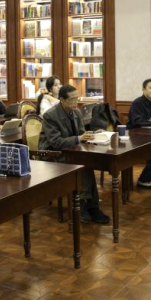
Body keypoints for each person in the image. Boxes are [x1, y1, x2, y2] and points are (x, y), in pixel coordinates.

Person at [39, 85, 110, 224]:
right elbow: (56, 142)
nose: (76, 102)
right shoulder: (50, 115)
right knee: (82, 166)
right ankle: (83, 206)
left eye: (77, 98)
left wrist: (93, 134)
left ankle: (91, 207)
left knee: (88, 164)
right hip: (53, 155)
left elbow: (81, 134)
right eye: (72, 99)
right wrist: (79, 138)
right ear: (62, 100)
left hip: (71, 152)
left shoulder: (76, 112)